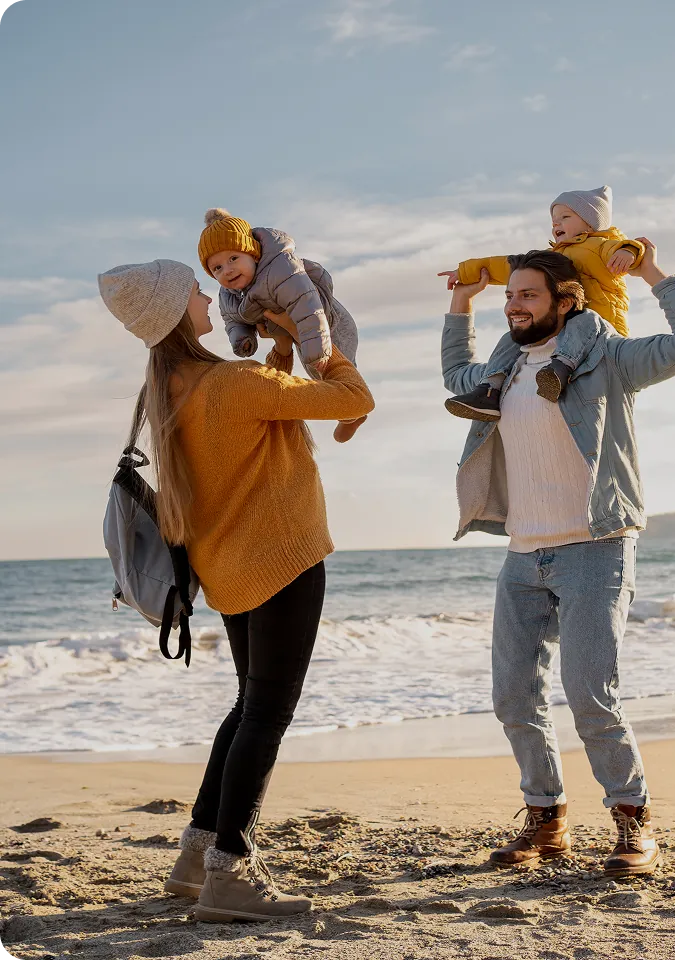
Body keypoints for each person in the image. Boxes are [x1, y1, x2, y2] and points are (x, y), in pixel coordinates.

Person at [98, 258, 374, 921]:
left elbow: (263, 404)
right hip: (282, 558)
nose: (206, 294)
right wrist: (321, 344)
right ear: (174, 311)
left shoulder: (172, 389)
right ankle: (229, 871)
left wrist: (279, 343)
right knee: (267, 714)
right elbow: (352, 399)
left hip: (227, 569)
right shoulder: (232, 381)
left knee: (248, 705)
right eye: (193, 290)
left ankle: (197, 855)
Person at [440, 241, 675, 877]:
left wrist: (652, 273)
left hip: (595, 546)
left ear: (568, 301)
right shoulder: (503, 371)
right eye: (510, 294)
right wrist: (460, 304)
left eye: (527, 294)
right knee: (514, 696)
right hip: (522, 552)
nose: (514, 304)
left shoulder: (610, 358)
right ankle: (546, 819)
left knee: (590, 695)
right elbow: (456, 374)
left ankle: (634, 822)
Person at [439, 185, 644, 420]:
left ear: (591, 224)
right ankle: (490, 388)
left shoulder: (600, 247)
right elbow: (505, 265)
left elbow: (631, 247)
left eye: (565, 217)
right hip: (565, 333)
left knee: (584, 319)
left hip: (601, 335)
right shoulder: (554, 258)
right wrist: (466, 273)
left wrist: (629, 251)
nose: (556, 224)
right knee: (512, 338)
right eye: (554, 220)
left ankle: (559, 371)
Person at [198, 207, 366, 443]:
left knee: (330, 374)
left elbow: (307, 306)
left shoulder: (281, 269)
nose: (228, 270)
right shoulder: (229, 293)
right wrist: (242, 339)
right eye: (217, 268)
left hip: (328, 324)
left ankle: (352, 416)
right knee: (322, 375)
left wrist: (313, 347)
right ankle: (351, 415)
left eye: (233, 258)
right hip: (297, 334)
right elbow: (232, 319)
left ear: (253, 254)